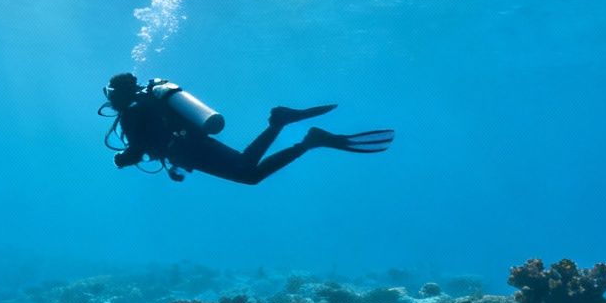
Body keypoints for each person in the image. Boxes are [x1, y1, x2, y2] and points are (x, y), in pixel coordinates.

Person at [100, 73, 393, 184]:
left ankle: (289, 128)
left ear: (116, 96)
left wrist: (122, 159)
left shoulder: (131, 112)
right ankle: (305, 138)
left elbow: (139, 148)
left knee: (248, 171)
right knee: (248, 170)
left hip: (189, 148)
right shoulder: (148, 102)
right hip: (191, 145)